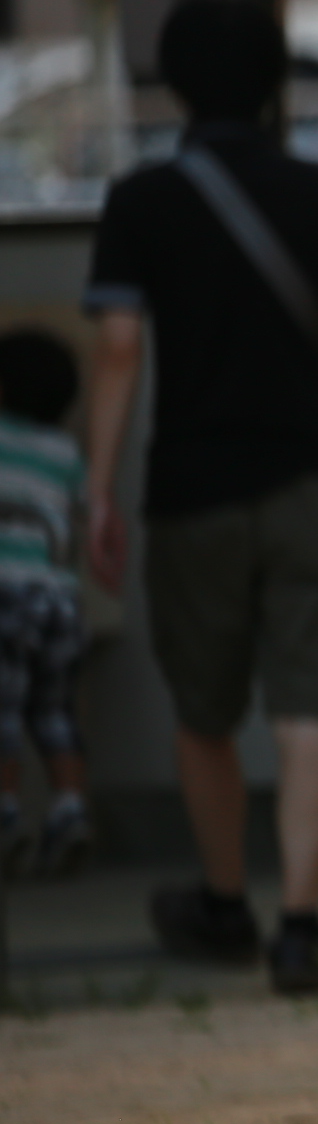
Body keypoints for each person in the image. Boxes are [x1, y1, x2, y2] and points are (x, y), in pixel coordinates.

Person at [83, 0, 318, 996]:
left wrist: (95, 494)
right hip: (317, 484)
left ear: (171, 81)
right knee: (311, 711)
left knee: (204, 710)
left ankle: (221, 902)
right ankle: (300, 923)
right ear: (269, 85)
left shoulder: (140, 203)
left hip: (192, 489)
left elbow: (118, 353)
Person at [0, 327, 93, 877]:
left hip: (5, 593)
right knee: (54, 711)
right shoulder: (65, 451)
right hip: (59, 599)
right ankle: (69, 808)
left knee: (2, 711)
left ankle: (7, 815)